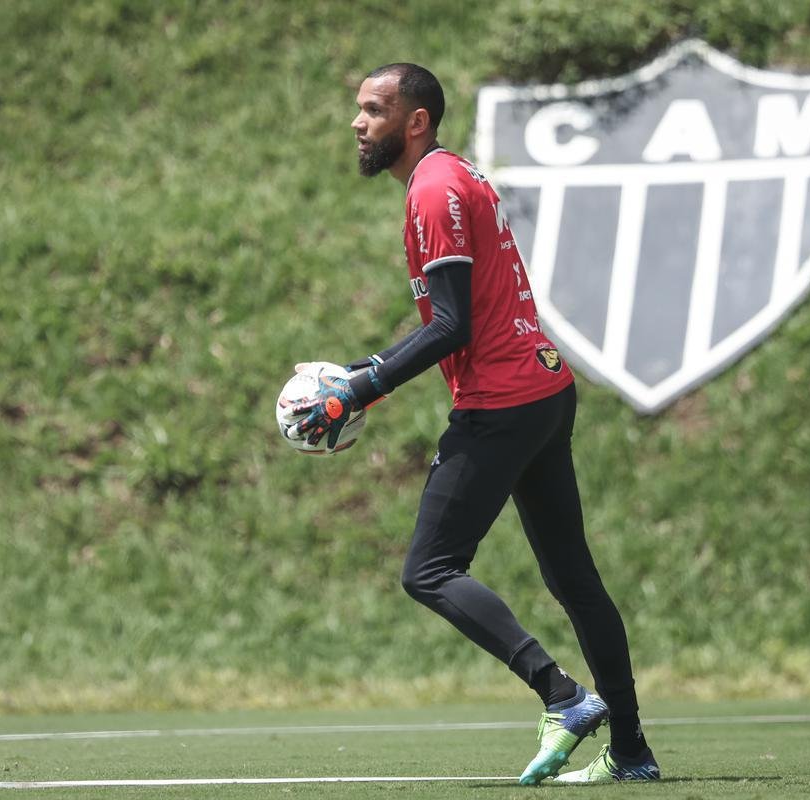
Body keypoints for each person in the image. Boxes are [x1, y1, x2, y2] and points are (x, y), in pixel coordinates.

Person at [287, 63, 659, 785]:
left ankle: (563, 696)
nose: (358, 122)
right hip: (541, 387)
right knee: (574, 578)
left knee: (429, 570)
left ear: (415, 120)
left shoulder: (434, 188)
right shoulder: (452, 176)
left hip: (502, 401)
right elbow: (463, 317)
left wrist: (361, 387)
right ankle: (633, 753)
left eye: (374, 109)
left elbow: (452, 326)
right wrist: (362, 376)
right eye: (358, 108)